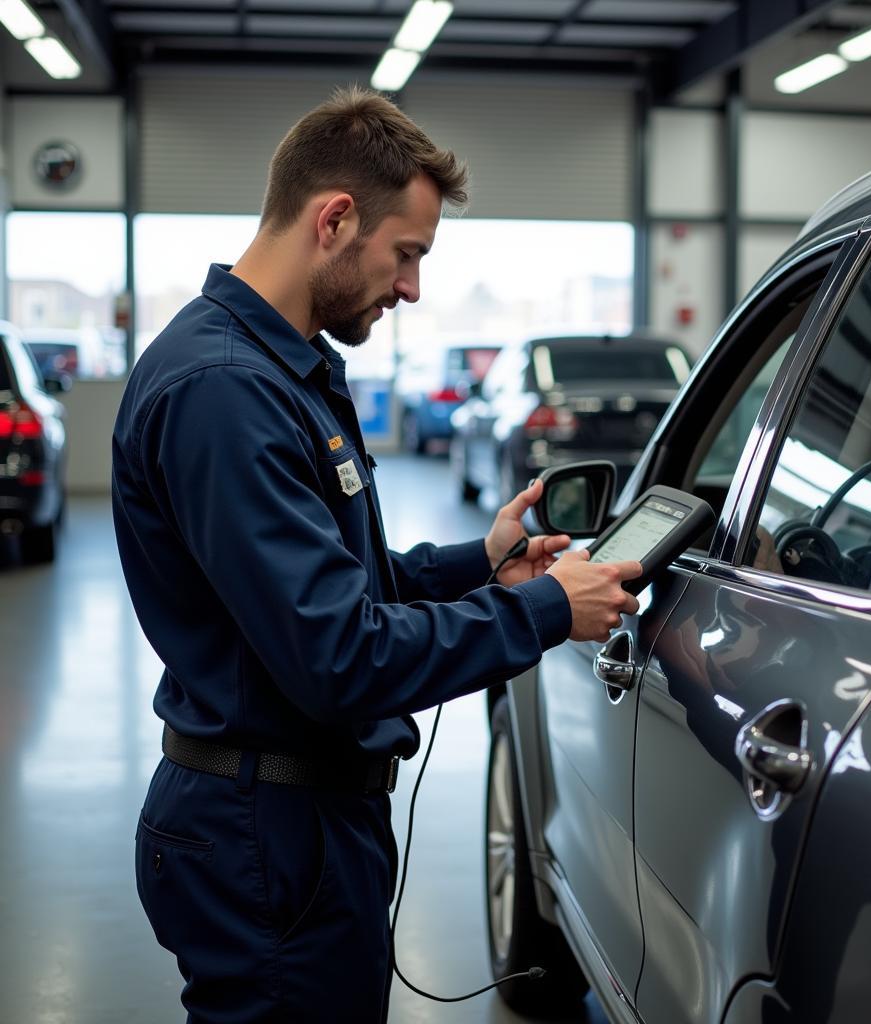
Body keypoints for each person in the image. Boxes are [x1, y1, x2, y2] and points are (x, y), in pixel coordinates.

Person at [112, 85, 641, 1023]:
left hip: (293, 821)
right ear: (335, 218)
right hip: (267, 834)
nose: (412, 287)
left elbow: (335, 591)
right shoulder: (227, 393)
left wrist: (483, 563)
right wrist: (550, 609)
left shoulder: (282, 369)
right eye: (408, 254)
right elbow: (338, 659)